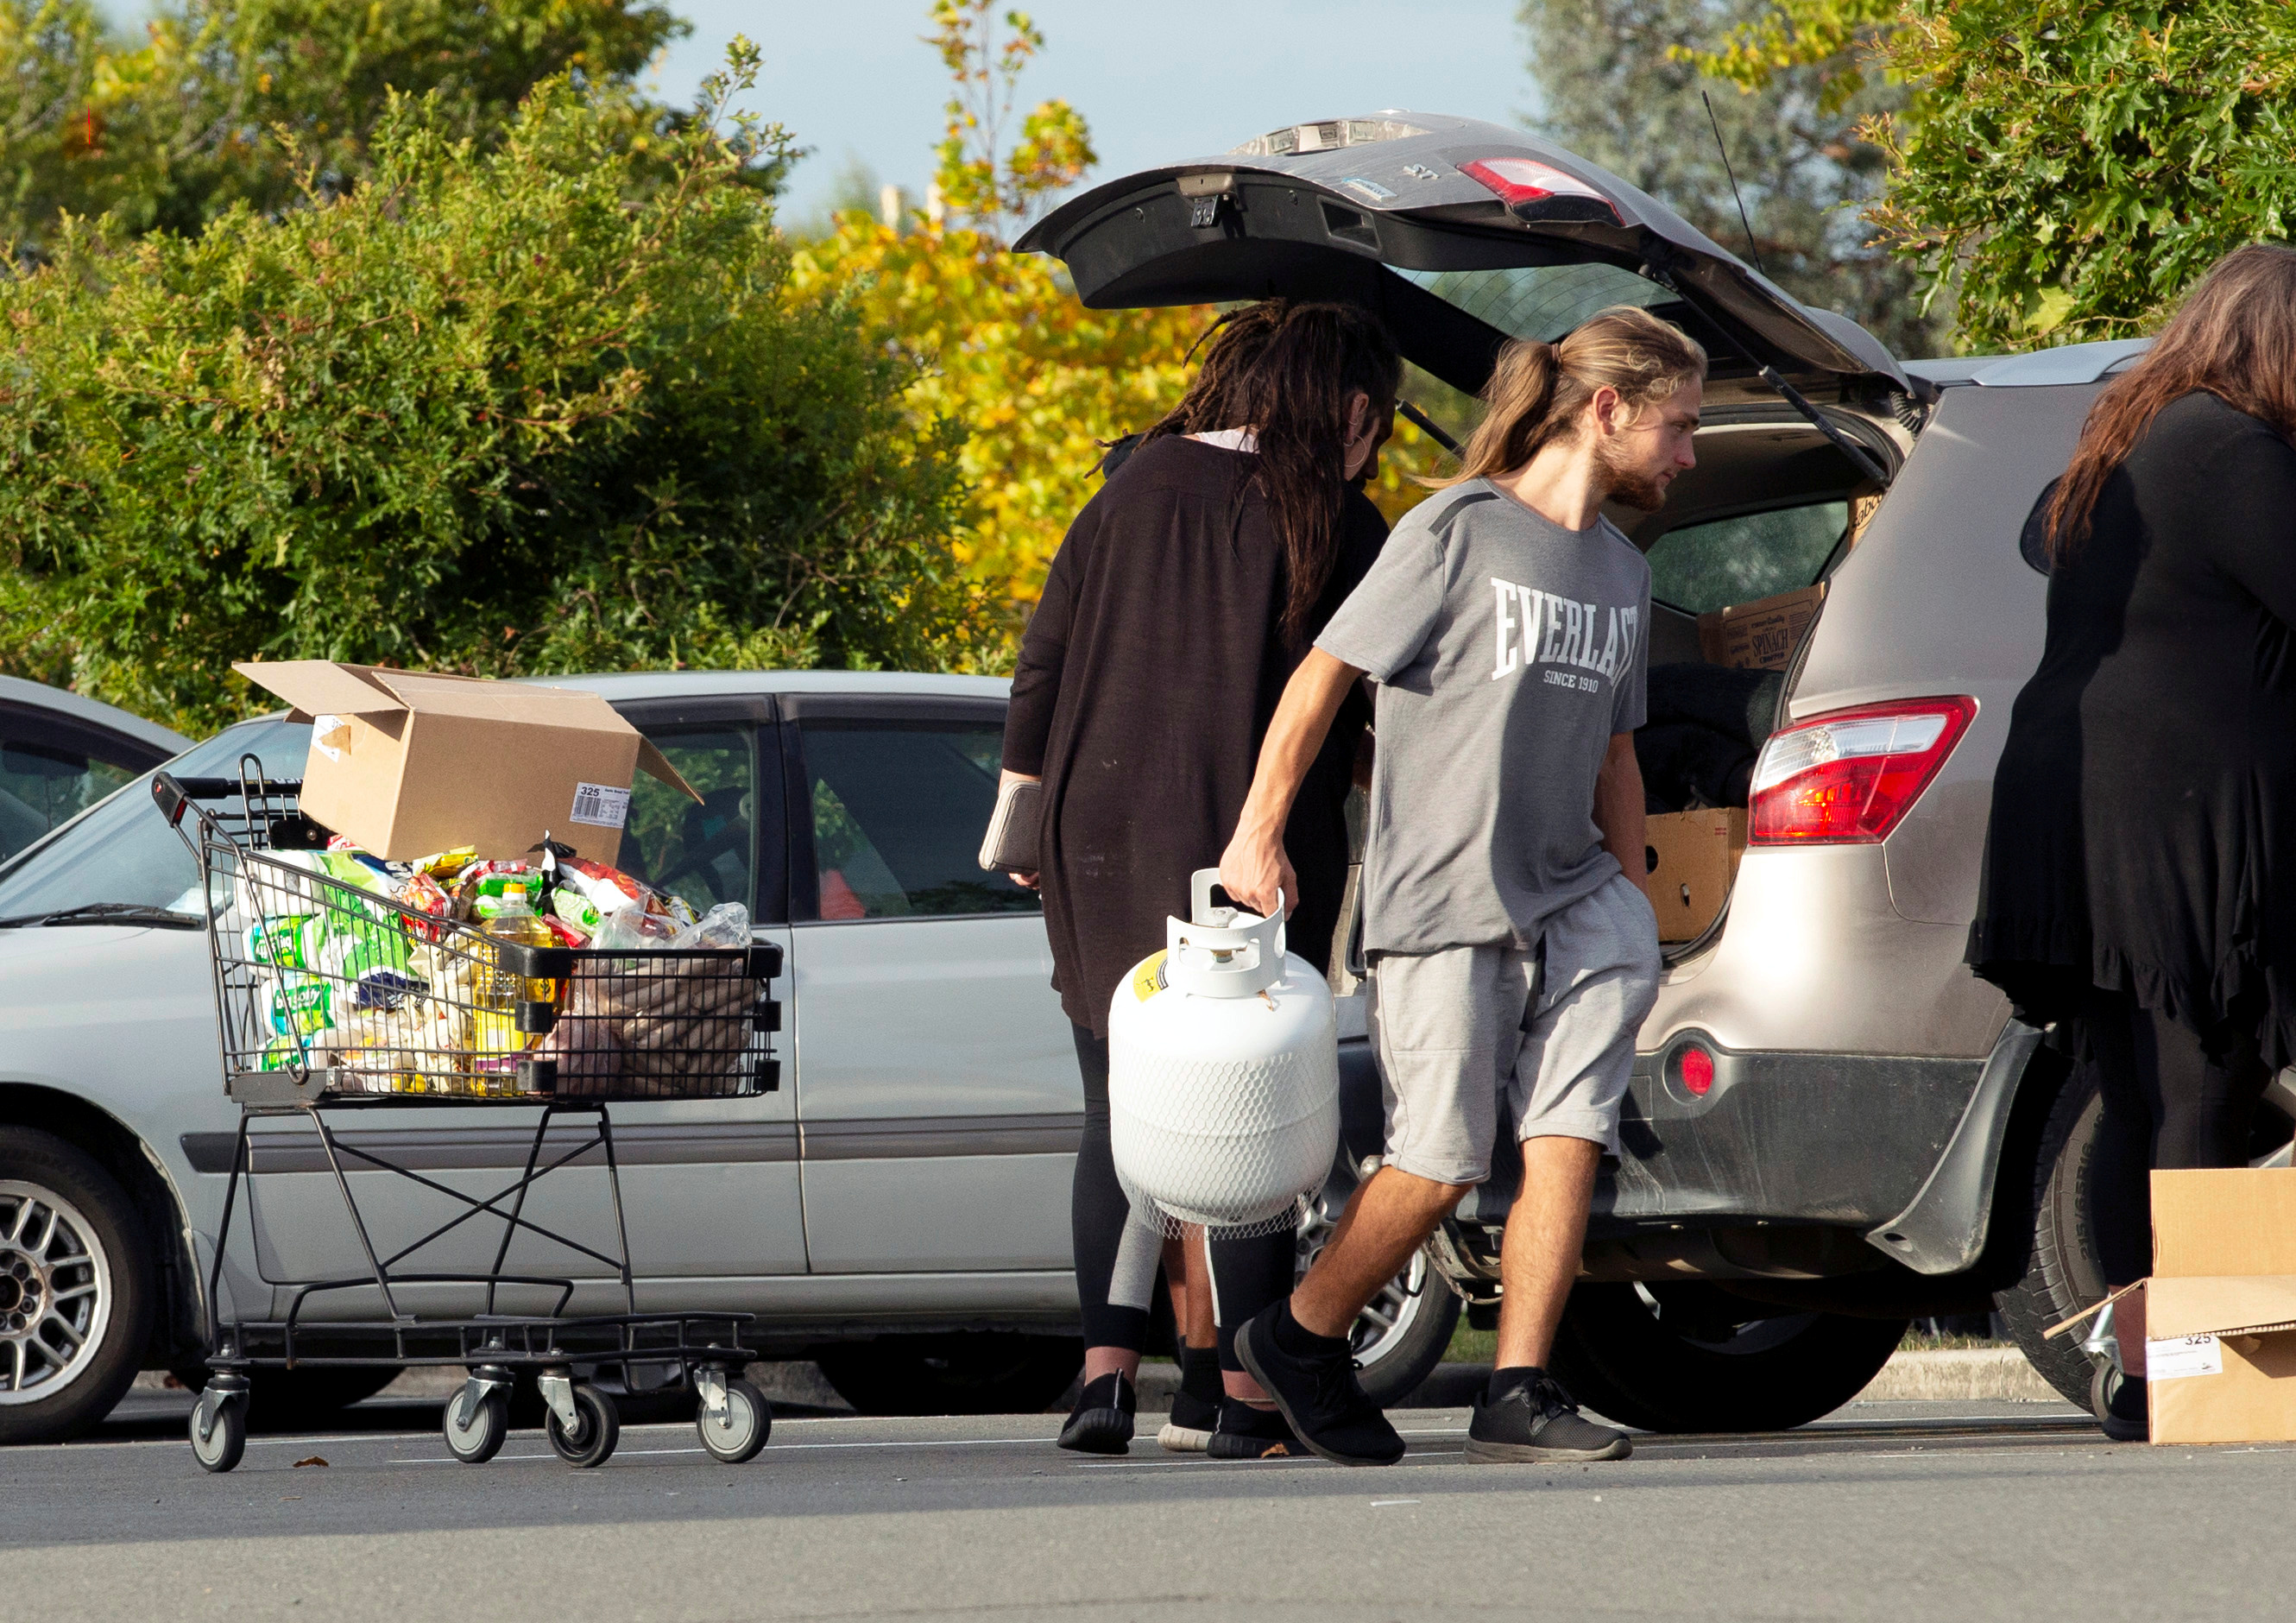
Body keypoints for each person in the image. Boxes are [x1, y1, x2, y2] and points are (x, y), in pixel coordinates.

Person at [1217, 306, 1705, 1467]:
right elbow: (1325, 676)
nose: (1687, 455)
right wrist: (1259, 832)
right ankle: (1298, 1334)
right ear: (1608, 409)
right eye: (1679, 428)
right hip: (1443, 899)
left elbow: (1616, 753)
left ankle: (1520, 1386)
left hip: (1577, 896)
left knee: (1570, 1134)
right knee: (1438, 1163)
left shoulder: (1625, 573)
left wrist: (1632, 895)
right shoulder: (1457, 530)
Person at [999, 299, 1401, 1457]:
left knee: (1114, 1108)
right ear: (1354, 410)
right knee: (1248, 1116)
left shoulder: (1124, 491)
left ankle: (1102, 1381)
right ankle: (1243, 1401)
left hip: (1096, 830)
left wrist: (1024, 833)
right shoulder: (1333, 518)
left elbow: (1041, 669)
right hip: (1246, 839)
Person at [1968, 244, 2296, 1442]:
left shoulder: (2129, 439)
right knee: (2202, 1078)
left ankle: (2148, 1369)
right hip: (2172, 813)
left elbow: (2030, 543)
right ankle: (2190, 1376)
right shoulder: (2228, 449)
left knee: (2139, 1085)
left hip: (2076, 805)